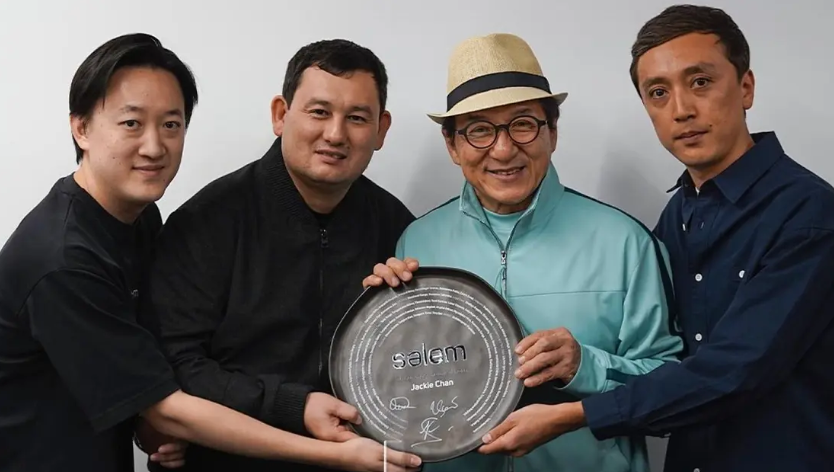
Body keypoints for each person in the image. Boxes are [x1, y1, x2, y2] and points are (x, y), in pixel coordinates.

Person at [0, 33, 420, 472]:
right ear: (81, 128)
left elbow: (145, 384)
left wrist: (411, 305)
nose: (153, 146)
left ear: (380, 129)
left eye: (171, 124)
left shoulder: (139, 219)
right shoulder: (66, 259)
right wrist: (325, 445)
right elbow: (167, 397)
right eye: (131, 123)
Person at [476, 5, 834, 472]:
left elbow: (735, 370)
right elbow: (664, 362)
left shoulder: (807, 214)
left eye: (700, 82)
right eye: (658, 92)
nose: (682, 109)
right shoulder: (676, 216)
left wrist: (574, 416)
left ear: (745, 87)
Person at [363, 33, 684, 472]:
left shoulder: (626, 242)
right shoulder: (416, 243)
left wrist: (585, 365)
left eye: (523, 124)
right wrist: (377, 330)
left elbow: (672, 389)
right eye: (479, 130)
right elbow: (400, 387)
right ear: (452, 145)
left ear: (552, 132)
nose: (503, 149)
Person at [140, 39, 418, 472]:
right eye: (319, 112)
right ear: (280, 114)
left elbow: (423, 367)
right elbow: (174, 368)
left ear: (381, 129)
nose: (335, 134)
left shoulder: (398, 227)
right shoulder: (206, 221)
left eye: (357, 118)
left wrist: (413, 315)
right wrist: (292, 405)